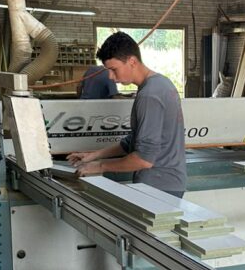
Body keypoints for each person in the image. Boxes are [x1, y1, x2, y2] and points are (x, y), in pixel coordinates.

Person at [67, 31, 187, 197]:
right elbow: (132, 142)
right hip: (168, 183)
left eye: (113, 69)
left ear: (132, 61)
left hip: (158, 187)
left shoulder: (149, 95)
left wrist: (99, 166)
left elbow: (143, 160)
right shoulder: (162, 83)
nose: (110, 76)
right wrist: (93, 156)